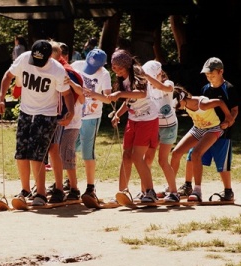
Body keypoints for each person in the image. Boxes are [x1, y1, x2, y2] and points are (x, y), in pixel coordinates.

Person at [0, 40, 75, 206]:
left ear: (49, 58)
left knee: (37, 153)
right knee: (21, 152)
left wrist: (71, 112)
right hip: (26, 111)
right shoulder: (24, 58)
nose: (37, 64)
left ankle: (41, 193)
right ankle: (25, 190)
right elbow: (7, 76)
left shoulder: (57, 70)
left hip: (46, 114)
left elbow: (67, 94)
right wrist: (1, 99)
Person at [179, 57, 239, 201]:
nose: (209, 77)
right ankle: (188, 186)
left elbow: (235, 110)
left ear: (221, 72)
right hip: (205, 131)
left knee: (222, 162)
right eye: (207, 75)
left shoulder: (229, 88)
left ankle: (228, 191)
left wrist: (228, 121)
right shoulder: (205, 89)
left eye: (212, 74)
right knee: (192, 155)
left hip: (223, 132)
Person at [105, 49, 159, 203]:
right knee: (126, 155)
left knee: (137, 156)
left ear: (126, 66)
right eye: (113, 67)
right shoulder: (123, 79)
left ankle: (150, 192)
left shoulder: (138, 74)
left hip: (148, 119)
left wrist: (119, 94)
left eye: (118, 67)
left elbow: (141, 94)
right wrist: (118, 114)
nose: (115, 70)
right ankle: (122, 193)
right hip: (133, 119)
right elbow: (130, 100)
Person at [170, 86, 234, 202]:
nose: (178, 108)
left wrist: (228, 117)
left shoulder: (202, 104)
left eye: (178, 105)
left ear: (182, 99)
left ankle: (197, 190)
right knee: (176, 153)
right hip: (198, 128)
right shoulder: (185, 104)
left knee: (196, 154)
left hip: (213, 128)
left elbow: (219, 102)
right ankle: (171, 188)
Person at [70, 48, 112, 201]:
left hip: (91, 117)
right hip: (74, 115)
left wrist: (93, 94)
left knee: (88, 152)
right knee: (70, 149)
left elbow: (108, 99)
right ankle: (71, 184)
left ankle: (90, 187)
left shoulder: (104, 74)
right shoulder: (77, 65)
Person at [46, 41, 85, 202]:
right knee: (56, 154)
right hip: (58, 121)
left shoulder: (68, 72)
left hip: (71, 122)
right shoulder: (54, 70)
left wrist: (72, 85)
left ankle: (74, 188)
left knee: (67, 155)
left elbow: (81, 98)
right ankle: (60, 184)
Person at [142, 60, 180, 202]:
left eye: (152, 77)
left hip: (169, 127)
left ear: (159, 74)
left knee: (162, 161)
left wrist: (146, 76)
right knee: (147, 159)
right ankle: (146, 191)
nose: (149, 81)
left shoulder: (168, 83)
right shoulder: (148, 87)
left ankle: (174, 192)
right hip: (155, 126)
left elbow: (162, 86)